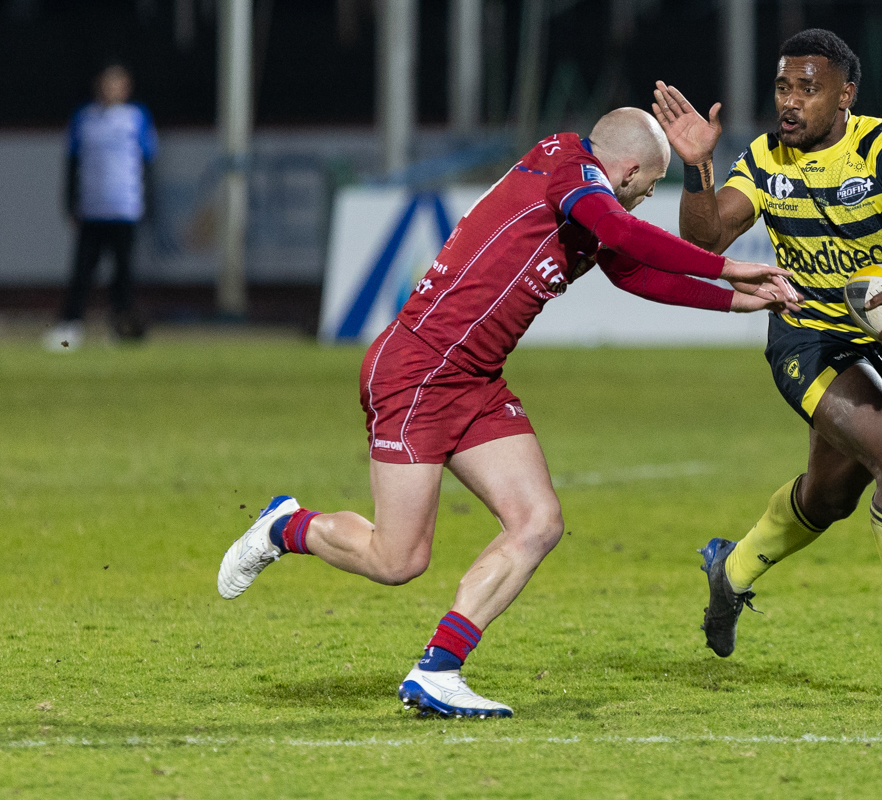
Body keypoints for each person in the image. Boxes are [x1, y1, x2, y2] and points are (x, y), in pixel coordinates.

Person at [217, 108, 801, 717]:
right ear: (627, 169)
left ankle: (438, 670)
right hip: (417, 371)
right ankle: (285, 526)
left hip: (473, 378)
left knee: (538, 521)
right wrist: (729, 263)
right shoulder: (567, 167)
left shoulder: (593, 205)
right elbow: (626, 236)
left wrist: (738, 301)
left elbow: (633, 275)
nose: (649, 196)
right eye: (650, 184)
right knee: (399, 560)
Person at [652, 28, 882, 682]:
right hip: (806, 342)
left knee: (828, 499)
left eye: (807, 89)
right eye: (782, 87)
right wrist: (696, 166)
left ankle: (729, 571)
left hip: (880, 350)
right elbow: (708, 237)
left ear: (845, 95)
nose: (789, 102)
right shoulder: (765, 158)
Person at [46, 63, 156, 351]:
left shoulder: (136, 118)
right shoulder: (84, 118)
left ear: (126, 88)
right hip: (92, 208)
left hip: (125, 207)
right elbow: (72, 162)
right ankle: (69, 328)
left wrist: (149, 203)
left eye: (117, 84)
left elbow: (148, 162)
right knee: (82, 271)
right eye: (107, 84)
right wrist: (70, 202)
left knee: (123, 273)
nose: (111, 89)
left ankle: (122, 326)